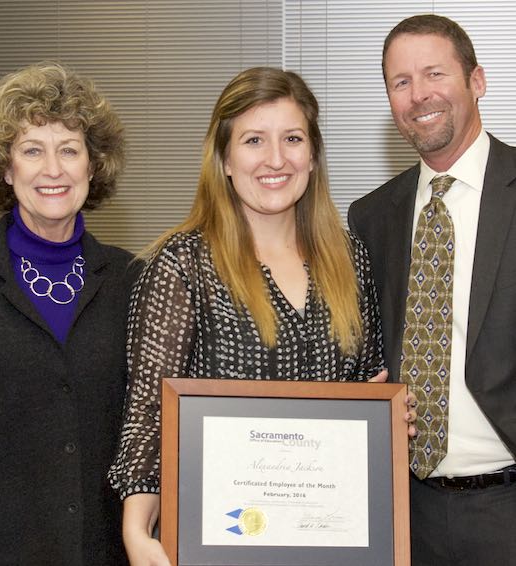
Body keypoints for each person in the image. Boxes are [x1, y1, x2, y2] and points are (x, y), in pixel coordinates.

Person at [108, 66, 409, 566]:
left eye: (292, 138)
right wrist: (137, 532)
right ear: (224, 158)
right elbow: (148, 415)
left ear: (312, 156)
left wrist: (389, 420)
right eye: (253, 140)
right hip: (217, 542)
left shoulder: (350, 259)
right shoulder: (182, 265)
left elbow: (368, 389)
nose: (275, 159)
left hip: (330, 541)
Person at [0, 61, 138, 565]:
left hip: (104, 551)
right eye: (32, 150)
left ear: (92, 166)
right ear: (7, 168)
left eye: (69, 150)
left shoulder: (131, 280)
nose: (52, 169)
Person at [348, 14, 516, 566]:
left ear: (477, 81)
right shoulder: (372, 216)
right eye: (400, 82)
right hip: (404, 508)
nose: (419, 95)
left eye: (435, 73)